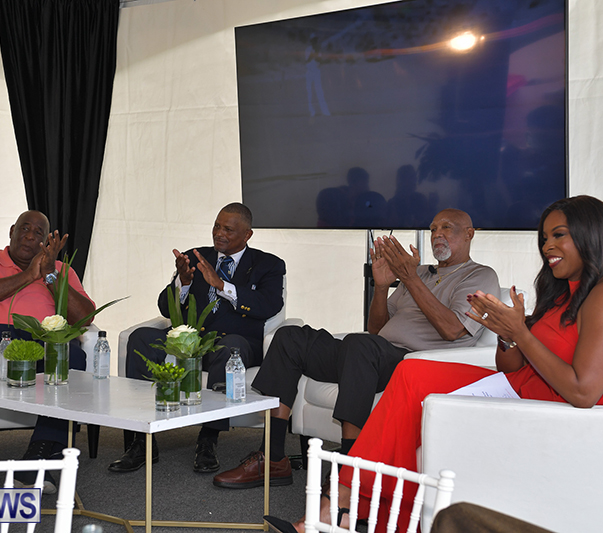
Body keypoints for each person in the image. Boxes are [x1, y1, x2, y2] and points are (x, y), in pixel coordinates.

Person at [267, 195, 603, 533]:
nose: (548, 246)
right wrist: (507, 332)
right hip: (520, 386)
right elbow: (511, 365)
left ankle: (341, 507)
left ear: (593, 235)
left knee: (406, 370)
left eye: (558, 235)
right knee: (411, 371)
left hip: (548, 408)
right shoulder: (567, 291)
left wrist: (523, 333)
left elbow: (583, 391)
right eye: (545, 237)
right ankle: (349, 508)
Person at [213, 208, 500, 489]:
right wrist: (382, 287)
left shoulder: (478, 276)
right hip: (371, 353)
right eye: (434, 228)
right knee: (289, 338)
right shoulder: (421, 272)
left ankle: (352, 462)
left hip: (414, 363)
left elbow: (452, 329)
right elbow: (376, 328)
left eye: (447, 227)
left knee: (360, 345)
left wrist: (409, 278)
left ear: (469, 234)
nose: (437, 234)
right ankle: (273, 457)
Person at [112, 203, 286, 474]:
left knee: (231, 348)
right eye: (217, 225)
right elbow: (165, 308)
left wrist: (223, 286)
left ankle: (208, 438)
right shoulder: (195, 257)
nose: (219, 233)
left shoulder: (268, 264)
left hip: (234, 342)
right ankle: (141, 440)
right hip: (190, 339)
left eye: (228, 229)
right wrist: (183, 283)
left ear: (247, 235)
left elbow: (269, 305)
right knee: (140, 338)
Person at [0, 210, 96, 492]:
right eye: (25, 229)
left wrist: (50, 275)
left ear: (45, 242)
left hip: (41, 339)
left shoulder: (62, 271)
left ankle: (39, 454)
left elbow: (84, 317)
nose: (30, 235)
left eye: (38, 232)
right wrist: (28, 276)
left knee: (72, 354)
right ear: (11, 231)